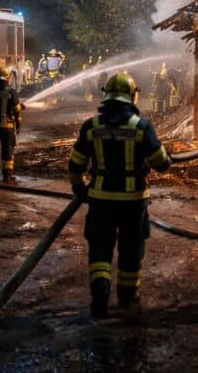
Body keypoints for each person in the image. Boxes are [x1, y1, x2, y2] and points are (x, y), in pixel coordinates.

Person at [68, 71, 171, 318]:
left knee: (100, 250)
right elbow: (161, 163)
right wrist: (164, 157)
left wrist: (80, 189)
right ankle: (127, 299)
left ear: (106, 96)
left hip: (100, 199)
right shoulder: (142, 126)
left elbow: (75, 165)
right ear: (132, 95)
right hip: (133, 203)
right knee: (131, 249)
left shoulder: (91, 126)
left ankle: (100, 299)